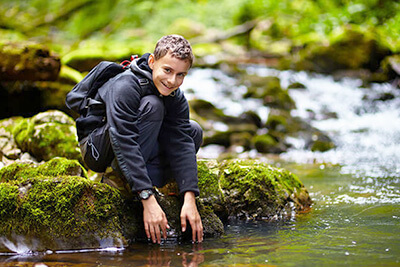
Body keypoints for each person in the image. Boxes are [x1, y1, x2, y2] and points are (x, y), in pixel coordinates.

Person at [79, 34, 203, 244]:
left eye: (181, 74)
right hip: (98, 148)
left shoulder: (176, 96)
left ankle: (153, 181)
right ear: (153, 62)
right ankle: (118, 179)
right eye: (167, 70)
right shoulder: (126, 84)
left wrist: (189, 196)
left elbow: (181, 143)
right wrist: (147, 198)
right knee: (152, 106)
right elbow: (123, 138)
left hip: (136, 139)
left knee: (193, 131)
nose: (173, 81)